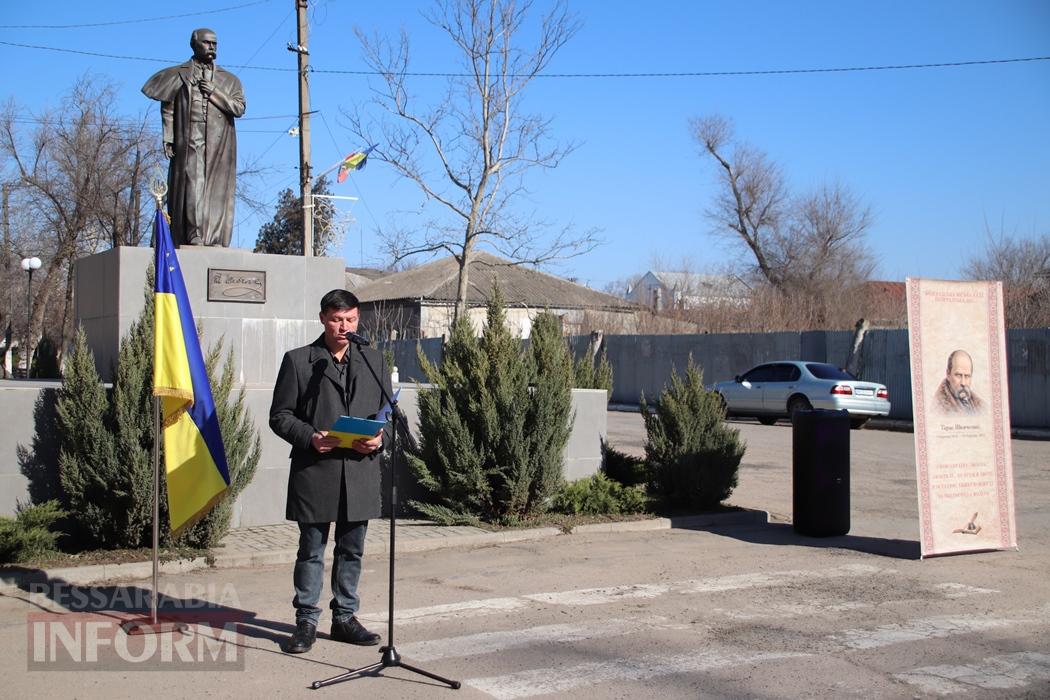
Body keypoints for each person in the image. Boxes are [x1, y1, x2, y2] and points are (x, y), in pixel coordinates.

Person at [269, 289, 391, 654]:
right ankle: (306, 621)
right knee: (311, 550)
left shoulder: (374, 360)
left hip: (360, 471)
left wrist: (380, 440)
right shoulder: (299, 360)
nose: (344, 327)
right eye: (337, 320)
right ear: (322, 318)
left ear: (358, 320)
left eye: (351, 319)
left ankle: (344, 619)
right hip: (316, 470)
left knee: (352, 549)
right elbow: (280, 416)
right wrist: (310, 437)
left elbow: (388, 412)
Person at [142, 28, 245, 247]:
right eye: (207, 43)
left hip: (219, 140)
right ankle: (193, 233)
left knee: (216, 189)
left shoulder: (229, 80)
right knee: (192, 183)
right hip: (190, 135)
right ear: (194, 44)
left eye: (215, 44)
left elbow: (239, 108)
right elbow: (167, 106)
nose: (212, 47)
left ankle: (215, 237)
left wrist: (214, 92)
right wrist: (168, 136)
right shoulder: (179, 73)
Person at [933, 349, 984, 414]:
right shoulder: (938, 408)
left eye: (967, 376)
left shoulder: (980, 405)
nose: (963, 383)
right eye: (958, 375)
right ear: (948, 374)